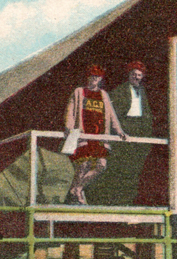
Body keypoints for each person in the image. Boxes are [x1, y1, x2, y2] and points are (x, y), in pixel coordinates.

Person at [87, 60, 154, 205]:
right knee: (118, 167)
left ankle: (128, 198)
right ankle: (107, 198)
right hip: (124, 128)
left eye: (139, 75)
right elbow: (112, 114)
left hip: (138, 130)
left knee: (133, 168)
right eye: (134, 74)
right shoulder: (120, 91)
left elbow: (146, 114)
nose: (136, 77)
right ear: (129, 75)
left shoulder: (142, 91)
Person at [64, 65, 126, 205]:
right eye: (92, 76)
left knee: (101, 165)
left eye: (97, 77)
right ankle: (77, 194)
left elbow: (111, 115)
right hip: (83, 136)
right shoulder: (79, 92)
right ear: (87, 77)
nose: (94, 79)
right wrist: (68, 127)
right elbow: (70, 111)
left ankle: (77, 188)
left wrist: (119, 131)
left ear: (100, 79)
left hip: (99, 137)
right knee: (83, 165)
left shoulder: (103, 94)